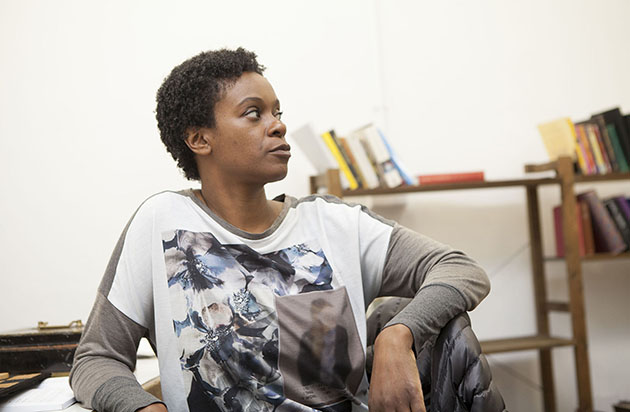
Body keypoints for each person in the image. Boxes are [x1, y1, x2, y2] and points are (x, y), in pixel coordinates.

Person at [69, 48, 490, 412]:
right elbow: (96, 359)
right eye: (254, 113)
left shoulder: (334, 223)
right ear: (199, 139)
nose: (277, 125)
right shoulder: (162, 222)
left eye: (277, 113)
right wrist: (146, 406)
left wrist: (400, 334)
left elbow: (459, 268)